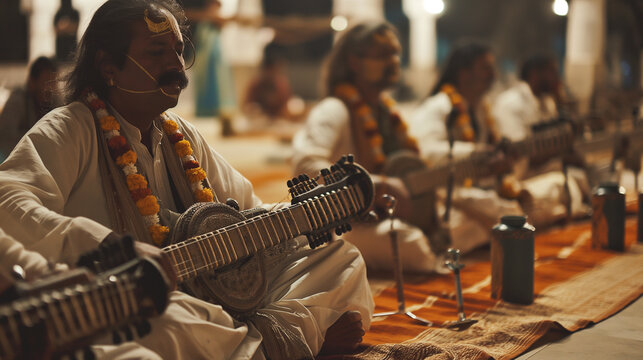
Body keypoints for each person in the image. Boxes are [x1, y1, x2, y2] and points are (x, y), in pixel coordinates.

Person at [0, 1, 372, 358]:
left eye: (178, 51)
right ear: (109, 66)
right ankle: (287, 340)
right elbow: (9, 200)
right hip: (129, 297)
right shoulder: (73, 126)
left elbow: (249, 210)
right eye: (157, 52)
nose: (176, 65)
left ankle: (256, 342)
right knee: (168, 323)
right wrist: (110, 246)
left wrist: (311, 212)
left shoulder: (181, 135)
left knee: (339, 256)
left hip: (209, 295)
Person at [292, 22, 489, 274]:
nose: (394, 61)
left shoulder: (387, 112)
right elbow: (304, 165)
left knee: (479, 211)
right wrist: (375, 185)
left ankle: (436, 244)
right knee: (411, 245)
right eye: (383, 55)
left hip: (387, 215)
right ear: (354, 62)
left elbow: (418, 160)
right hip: (342, 223)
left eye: (396, 53)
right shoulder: (334, 109)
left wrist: (472, 158)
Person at [408, 43, 523, 253]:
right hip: (443, 194)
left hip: (472, 192)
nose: (493, 74)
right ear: (464, 74)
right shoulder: (439, 107)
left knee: (510, 209)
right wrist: (475, 153)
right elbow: (424, 152)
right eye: (485, 68)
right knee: (507, 213)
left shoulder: (480, 108)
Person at [491, 54, 590, 226]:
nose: (558, 78)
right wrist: (561, 154)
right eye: (553, 72)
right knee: (565, 183)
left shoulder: (547, 101)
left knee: (579, 177)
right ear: (535, 75)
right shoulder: (511, 103)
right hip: (518, 178)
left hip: (541, 172)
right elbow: (520, 153)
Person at [0, 56, 61, 159]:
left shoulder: (56, 102)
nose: (50, 88)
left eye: (54, 82)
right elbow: (6, 138)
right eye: (46, 82)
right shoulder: (18, 100)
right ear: (32, 82)